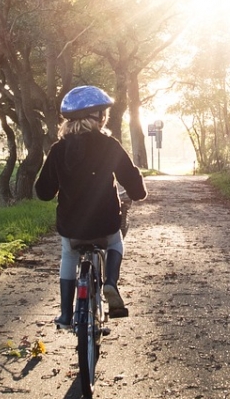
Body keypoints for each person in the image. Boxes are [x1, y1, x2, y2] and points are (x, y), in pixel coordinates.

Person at [35, 85, 147, 328]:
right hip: (105, 225)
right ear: (98, 117)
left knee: (69, 253)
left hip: (71, 227)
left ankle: (65, 314)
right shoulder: (110, 146)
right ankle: (110, 283)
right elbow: (135, 187)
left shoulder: (58, 150)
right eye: (103, 113)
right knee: (116, 242)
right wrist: (137, 190)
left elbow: (43, 192)